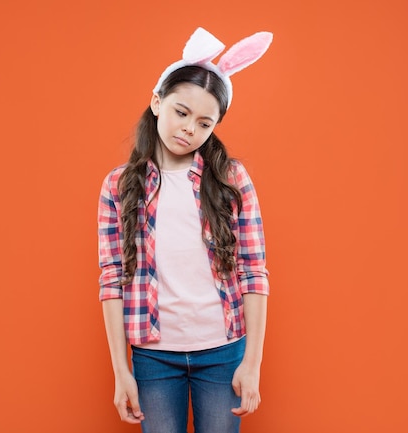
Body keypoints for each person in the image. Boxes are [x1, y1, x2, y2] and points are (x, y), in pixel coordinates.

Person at [98, 27, 273, 433]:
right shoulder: (119, 185)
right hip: (154, 356)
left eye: (204, 122)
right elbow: (112, 280)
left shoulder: (231, 178)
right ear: (157, 102)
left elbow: (254, 271)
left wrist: (252, 362)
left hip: (223, 350)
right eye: (181, 112)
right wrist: (121, 371)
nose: (189, 129)